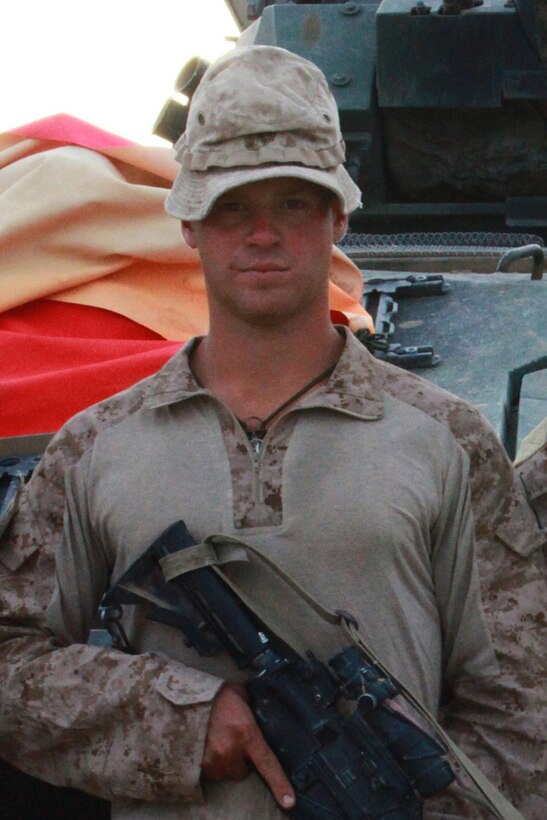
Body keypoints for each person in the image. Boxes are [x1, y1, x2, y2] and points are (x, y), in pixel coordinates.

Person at [0, 45, 544, 820]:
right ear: (189, 222)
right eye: (231, 206)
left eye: (293, 202)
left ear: (338, 215)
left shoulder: (444, 440)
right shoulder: (96, 448)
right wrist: (179, 718)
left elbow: (522, 702)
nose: (262, 233)